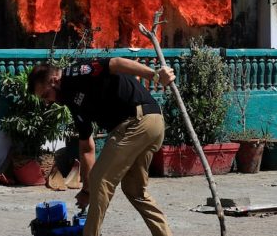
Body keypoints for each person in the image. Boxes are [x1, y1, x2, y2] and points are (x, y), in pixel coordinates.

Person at [28, 57, 176, 236]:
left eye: (45, 95)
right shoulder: (72, 101)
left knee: (100, 178)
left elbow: (115, 63)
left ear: (53, 81)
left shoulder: (74, 74)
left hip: (136, 122)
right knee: (134, 190)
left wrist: (155, 76)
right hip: (150, 124)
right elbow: (86, 147)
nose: (47, 102)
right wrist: (86, 190)